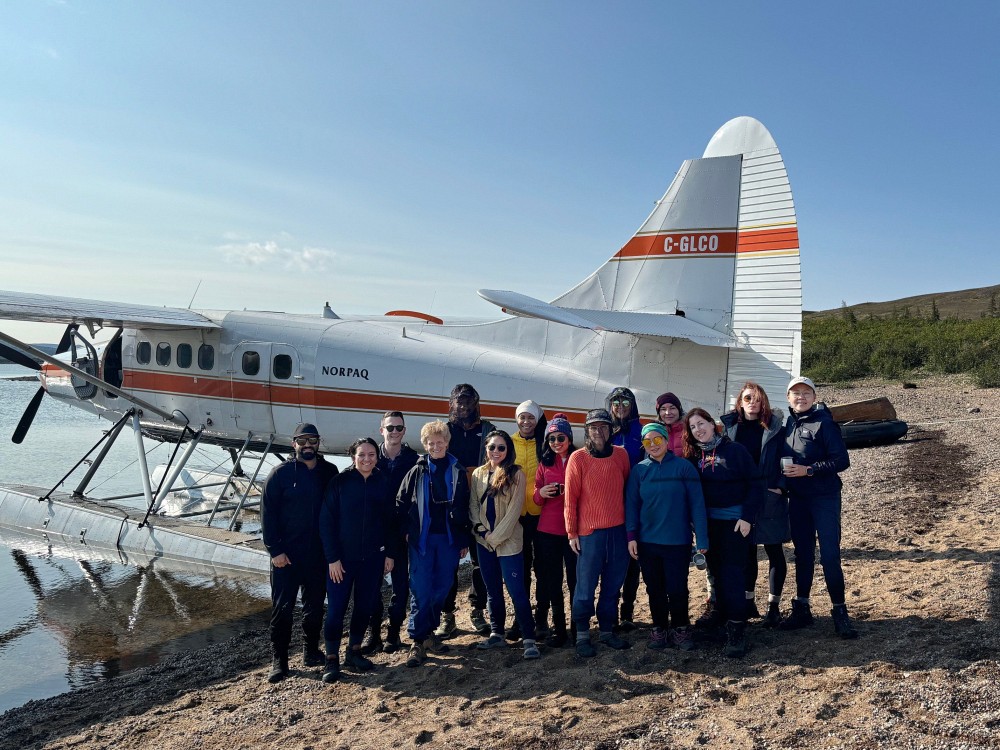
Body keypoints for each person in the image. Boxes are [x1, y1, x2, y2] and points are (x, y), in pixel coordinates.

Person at [260, 423, 340, 682]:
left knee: (315, 607)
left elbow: (337, 510)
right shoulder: (279, 474)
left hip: (318, 555)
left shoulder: (330, 471)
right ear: (293, 443)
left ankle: (310, 651)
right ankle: (279, 660)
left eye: (313, 441)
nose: (308, 446)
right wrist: (275, 550)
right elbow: (267, 515)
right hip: (286, 557)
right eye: (302, 441)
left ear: (319, 443)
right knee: (282, 609)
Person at [779, 376, 857, 639]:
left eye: (805, 393)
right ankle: (802, 608)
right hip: (798, 499)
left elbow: (842, 460)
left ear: (813, 397)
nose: (800, 397)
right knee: (802, 554)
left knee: (830, 556)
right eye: (795, 393)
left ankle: (840, 612)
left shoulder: (824, 423)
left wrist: (809, 469)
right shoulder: (788, 423)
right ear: (788, 397)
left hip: (824, 497)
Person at [684, 408, 765, 658]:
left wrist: (747, 517)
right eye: (693, 427)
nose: (698, 429)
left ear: (712, 423)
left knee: (732, 576)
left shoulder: (735, 450)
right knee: (715, 574)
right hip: (708, 525)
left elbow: (755, 483)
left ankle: (737, 629)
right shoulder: (694, 456)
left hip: (734, 522)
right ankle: (722, 620)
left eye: (702, 423)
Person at [626, 422, 708, 651]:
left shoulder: (683, 468)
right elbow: (632, 505)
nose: (653, 445)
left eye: (657, 440)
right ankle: (659, 628)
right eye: (647, 441)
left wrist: (702, 539)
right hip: (647, 542)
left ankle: (681, 628)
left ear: (665, 440)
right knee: (654, 589)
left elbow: (697, 505)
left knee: (677, 587)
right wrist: (631, 536)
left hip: (678, 541)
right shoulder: (639, 471)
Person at [318, 438, 395, 683]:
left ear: (376, 457)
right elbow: (326, 522)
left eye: (371, 455)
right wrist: (332, 559)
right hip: (342, 561)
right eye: (362, 455)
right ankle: (331, 659)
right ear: (353, 456)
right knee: (336, 609)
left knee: (364, 607)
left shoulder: (382, 481)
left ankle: (354, 651)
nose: (367, 459)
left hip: (372, 559)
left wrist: (389, 554)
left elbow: (390, 522)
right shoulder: (340, 482)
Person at [396, 420, 472, 667]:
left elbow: (464, 506)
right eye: (431, 443)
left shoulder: (458, 469)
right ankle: (418, 641)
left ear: (447, 443)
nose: (436, 446)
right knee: (421, 588)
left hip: (449, 539)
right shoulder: (416, 470)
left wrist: (463, 539)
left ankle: (429, 633)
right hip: (423, 539)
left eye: (440, 442)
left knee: (442, 586)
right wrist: (407, 531)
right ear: (425, 444)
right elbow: (401, 502)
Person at [565, 408, 632, 657]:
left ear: (611, 429)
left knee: (613, 585)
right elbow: (570, 498)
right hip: (589, 533)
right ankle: (582, 633)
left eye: (604, 427)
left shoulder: (622, 456)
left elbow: (625, 489)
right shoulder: (578, 458)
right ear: (587, 431)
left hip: (618, 531)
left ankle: (606, 631)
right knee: (585, 587)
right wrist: (572, 532)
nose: (599, 432)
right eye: (594, 427)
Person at [720, 382, 789, 627]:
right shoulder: (729, 430)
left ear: (764, 403)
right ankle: (749, 602)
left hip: (769, 497)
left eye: (758, 399)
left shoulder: (775, 428)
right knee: (747, 551)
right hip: (742, 498)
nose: (753, 403)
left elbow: (788, 457)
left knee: (773, 550)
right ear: (740, 401)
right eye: (748, 398)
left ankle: (773, 606)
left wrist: (780, 486)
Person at [469, 429, 540, 659]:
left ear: (508, 449)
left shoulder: (516, 474)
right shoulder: (478, 474)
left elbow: (513, 512)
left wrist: (494, 538)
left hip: (508, 542)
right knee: (492, 591)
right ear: (486, 449)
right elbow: (473, 508)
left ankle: (529, 638)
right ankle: (497, 634)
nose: (496, 451)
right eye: (492, 447)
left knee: (517, 591)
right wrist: (482, 532)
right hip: (484, 542)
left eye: (501, 447)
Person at [437, 384, 495, 639]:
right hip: (452, 506)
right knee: (448, 562)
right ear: (451, 403)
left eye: (468, 401)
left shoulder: (487, 430)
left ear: (476, 403)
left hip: (481, 504)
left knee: (479, 561)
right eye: (458, 401)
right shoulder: (444, 431)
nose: (463, 406)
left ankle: (477, 610)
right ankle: (447, 615)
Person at [360, 411, 420, 655]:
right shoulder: (372, 460)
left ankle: (394, 631)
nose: (394, 432)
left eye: (399, 428)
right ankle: (373, 631)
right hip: (375, 533)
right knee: (372, 585)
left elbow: (418, 500)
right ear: (381, 430)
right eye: (390, 428)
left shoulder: (414, 460)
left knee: (401, 585)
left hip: (402, 533)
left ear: (404, 430)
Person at [533, 414, 578, 647]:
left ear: (569, 438)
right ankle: (559, 631)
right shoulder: (545, 463)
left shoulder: (579, 459)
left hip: (572, 530)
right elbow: (536, 498)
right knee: (552, 582)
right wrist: (541, 493)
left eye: (561, 437)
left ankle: (577, 628)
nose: (556, 442)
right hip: (547, 531)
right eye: (551, 439)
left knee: (575, 582)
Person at [508, 399, 548, 640]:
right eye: (522, 417)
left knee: (542, 570)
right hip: (515, 518)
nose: (526, 422)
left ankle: (542, 618)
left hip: (541, 515)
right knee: (519, 571)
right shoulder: (508, 444)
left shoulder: (545, 443)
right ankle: (521, 618)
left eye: (531, 417)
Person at [606, 386, 643, 631]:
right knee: (610, 559)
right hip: (608, 502)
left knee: (633, 558)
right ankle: (609, 607)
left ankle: (627, 609)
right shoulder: (603, 430)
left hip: (636, 501)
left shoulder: (641, 431)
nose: (620, 406)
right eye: (616, 402)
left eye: (625, 402)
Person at [654, 392, 686, 456]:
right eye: (663, 409)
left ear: (679, 410)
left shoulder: (689, 430)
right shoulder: (654, 432)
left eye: (672, 408)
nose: (668, 413)